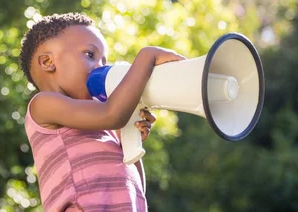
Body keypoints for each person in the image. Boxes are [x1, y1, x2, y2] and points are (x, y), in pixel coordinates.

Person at [20, 12, 185, 212]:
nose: (101, 67)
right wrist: (146, 57)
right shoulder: (44, 104)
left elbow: (135, 188)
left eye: (104, 62)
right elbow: (113, 114)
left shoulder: (106, 125)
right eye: (90, 55)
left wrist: (128, 140)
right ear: (47, 62)